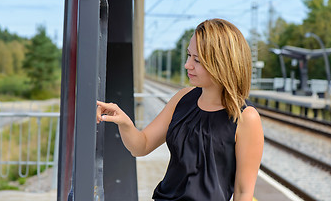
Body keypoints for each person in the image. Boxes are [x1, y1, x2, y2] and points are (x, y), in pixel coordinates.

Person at [96, 18, 264, 201]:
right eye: (189, 55)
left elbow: (243, 193)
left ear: (222, 63)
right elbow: (141, 146)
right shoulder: (182, 98)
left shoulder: (246, 117)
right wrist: (124, 121)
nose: (187, 65)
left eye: (197, 60)